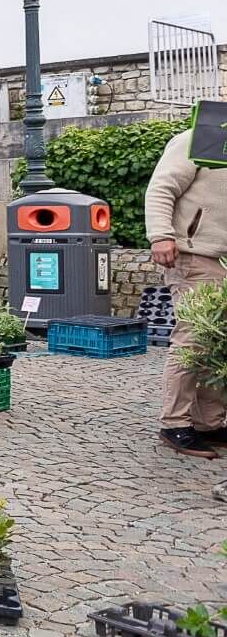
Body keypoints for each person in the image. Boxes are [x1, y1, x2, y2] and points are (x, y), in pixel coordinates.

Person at [145, 125, 227, 459]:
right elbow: (161, 188)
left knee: (216, 340)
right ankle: (174, 422)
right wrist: (161, 235)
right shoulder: (201, 136)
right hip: (192, 254)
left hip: (220, 256)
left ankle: (209, 422)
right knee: (193, 338)